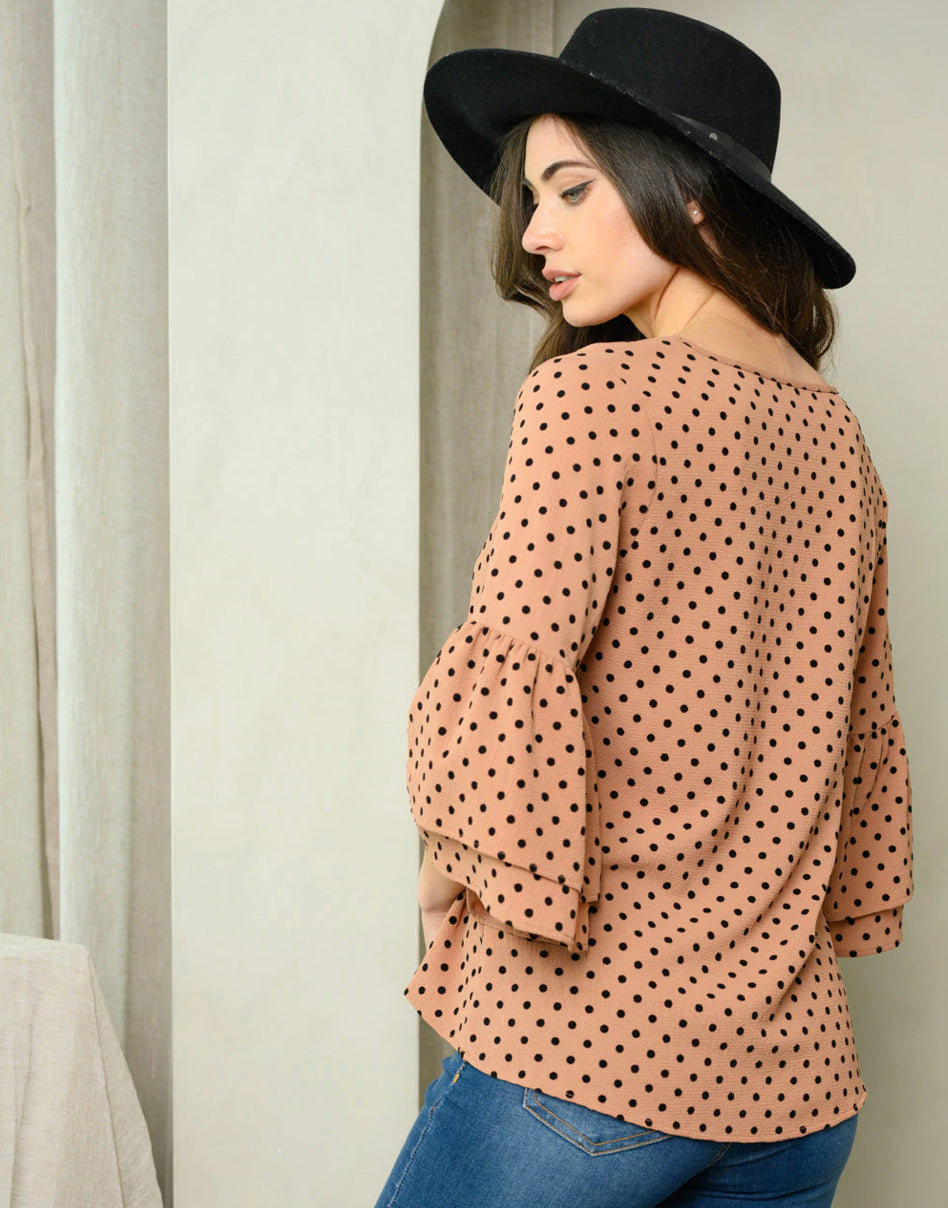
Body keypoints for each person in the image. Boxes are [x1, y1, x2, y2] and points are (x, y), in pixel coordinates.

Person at [375, 9, 913, 1208]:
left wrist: (447, 864)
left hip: (592, 1058)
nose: (536, 232)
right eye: (532, 199)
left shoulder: (599, 396)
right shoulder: (839, 439)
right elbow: (856, 741)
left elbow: (512, 673)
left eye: (571, 188)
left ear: (696, 194)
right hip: (797, 1091)